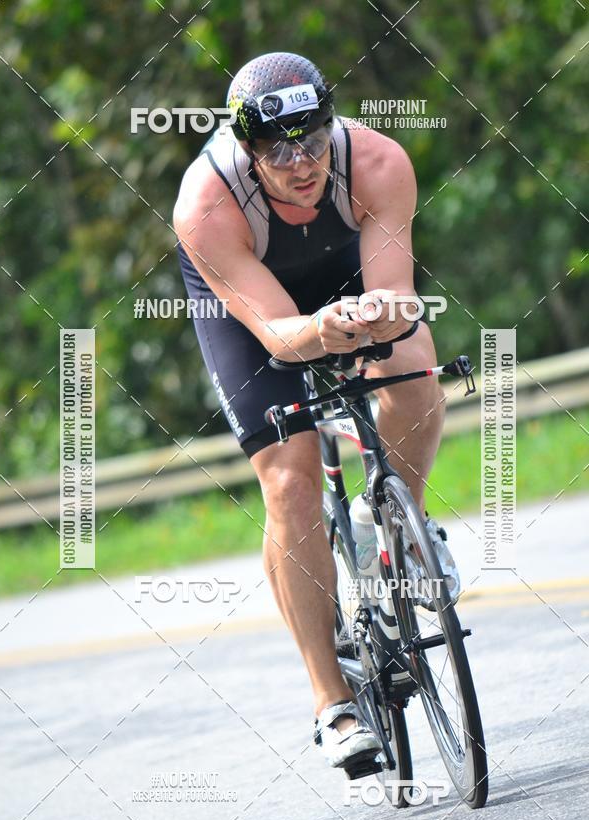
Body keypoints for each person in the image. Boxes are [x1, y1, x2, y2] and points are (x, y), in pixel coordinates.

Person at [174, 51, 460, 772]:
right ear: (247, 148)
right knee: (290, 481)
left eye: (313, 136)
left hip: (342, 272)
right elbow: (275, 333)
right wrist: (319, 331)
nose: (302, 162)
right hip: (251, 312)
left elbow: (393, 297)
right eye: (278, 148)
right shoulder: (205, 208)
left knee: (412, 353)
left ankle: (396, 521)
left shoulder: (379, 163)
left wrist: (381, 319)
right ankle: (332, 703)